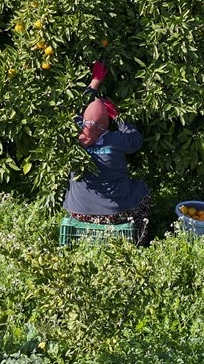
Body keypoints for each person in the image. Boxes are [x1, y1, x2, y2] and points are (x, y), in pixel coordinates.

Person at [63, 61, 153, 246]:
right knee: (142, 190)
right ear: (106, 124)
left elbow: (76, 107)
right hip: (113, 213)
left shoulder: (71, 135)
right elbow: (135, 139)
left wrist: (94, 82)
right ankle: (140, 240)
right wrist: (118, 116)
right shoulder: (116, 140)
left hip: (77, 210)